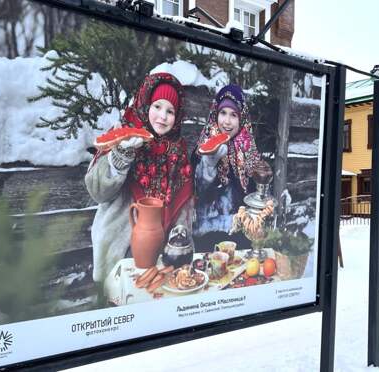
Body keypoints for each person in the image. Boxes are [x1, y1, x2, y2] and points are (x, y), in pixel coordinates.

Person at [85, 72, 194, 303]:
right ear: (146, 104)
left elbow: (183, 203)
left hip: (162, 257)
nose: (163, 117)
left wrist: (179, 239)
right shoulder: (123, 135)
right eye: (157, 106)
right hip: (120, 252)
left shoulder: (178, 150)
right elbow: (98, 192)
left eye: (170, 111)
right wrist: (121, 157)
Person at [192, 84, 261, 252]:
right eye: (223, 113)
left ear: (242, 118)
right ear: (215, 113)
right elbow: (195, 191)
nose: (227, 121)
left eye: (233, 115)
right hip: (206, 235)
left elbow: (252, 195)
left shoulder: (248, 150)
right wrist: (209, 164)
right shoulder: (203, 147)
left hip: (239, 235)